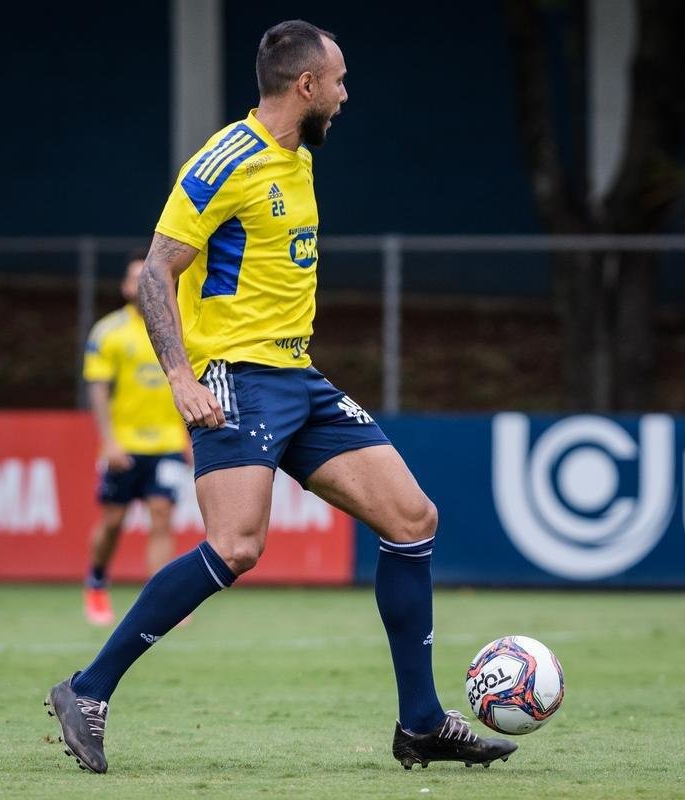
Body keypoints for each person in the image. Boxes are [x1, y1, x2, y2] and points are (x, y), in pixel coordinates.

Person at [46, 19, 517, 774]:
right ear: (306, 86)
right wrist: (180, 377)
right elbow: (158, 270)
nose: (344, 94)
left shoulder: (297, 158)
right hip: (236, 375)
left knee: (412, 518)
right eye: (338, 81)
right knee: (237, 545)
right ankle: (88, 689)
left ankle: (422, 721)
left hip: (298, 378)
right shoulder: (225, 160)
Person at [81, 250, 192, 625]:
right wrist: (109, 441)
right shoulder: (109, 332)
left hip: (167, 443)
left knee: (162, 516)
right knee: (113, 519)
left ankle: (160, 605)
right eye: (135, 278)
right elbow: (97, 389)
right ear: (127, 287)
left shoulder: (180, 328)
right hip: (124, 445)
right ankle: (96, 582)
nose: (142, 282)